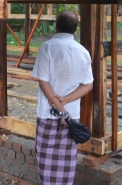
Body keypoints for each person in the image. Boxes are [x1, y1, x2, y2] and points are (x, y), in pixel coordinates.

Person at [32, 11, 94, 185]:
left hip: (48, 115)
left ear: (56, 26)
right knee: (66, 162)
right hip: (71, 118)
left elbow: (43, 82)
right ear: (75, 29)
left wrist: (60, 106)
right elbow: (88, 85)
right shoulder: (83, 52)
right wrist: (66, 101)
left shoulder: (47, 47)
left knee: (45, 160)